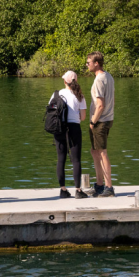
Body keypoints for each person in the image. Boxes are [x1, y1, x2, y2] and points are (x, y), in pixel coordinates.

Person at [51, 70, 87, 199]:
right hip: (74, 128)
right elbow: (83, 117)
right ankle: (78, 190)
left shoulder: (57, 94)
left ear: (64, 81)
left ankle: (63, 190)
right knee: (76, 159)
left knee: (61, 159)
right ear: (76, 81)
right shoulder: (80, 96)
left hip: (59, 128)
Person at [86, 51, 116, 197]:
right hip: (108, 119)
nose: (87, 65)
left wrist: (92, 121)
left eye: (88, 62)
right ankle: (99, 185)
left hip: (100, 120)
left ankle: (109, 188)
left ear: (96, 63)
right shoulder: (108, 76)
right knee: (95, 151)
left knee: (102, 152)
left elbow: (100, 105)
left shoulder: (99, 80)